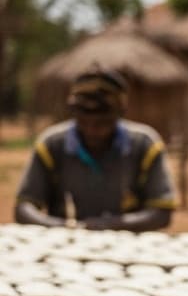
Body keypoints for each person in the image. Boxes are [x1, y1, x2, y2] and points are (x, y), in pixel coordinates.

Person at [14, 67, 176, 231]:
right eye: (84, 121)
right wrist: (65, 227)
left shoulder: (145, 145)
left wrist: (111, 225)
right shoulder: (51, 145)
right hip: (67, 240)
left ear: (120, 112)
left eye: (103, 122)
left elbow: (162, 212)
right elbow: (24, 209)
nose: (92, 129)